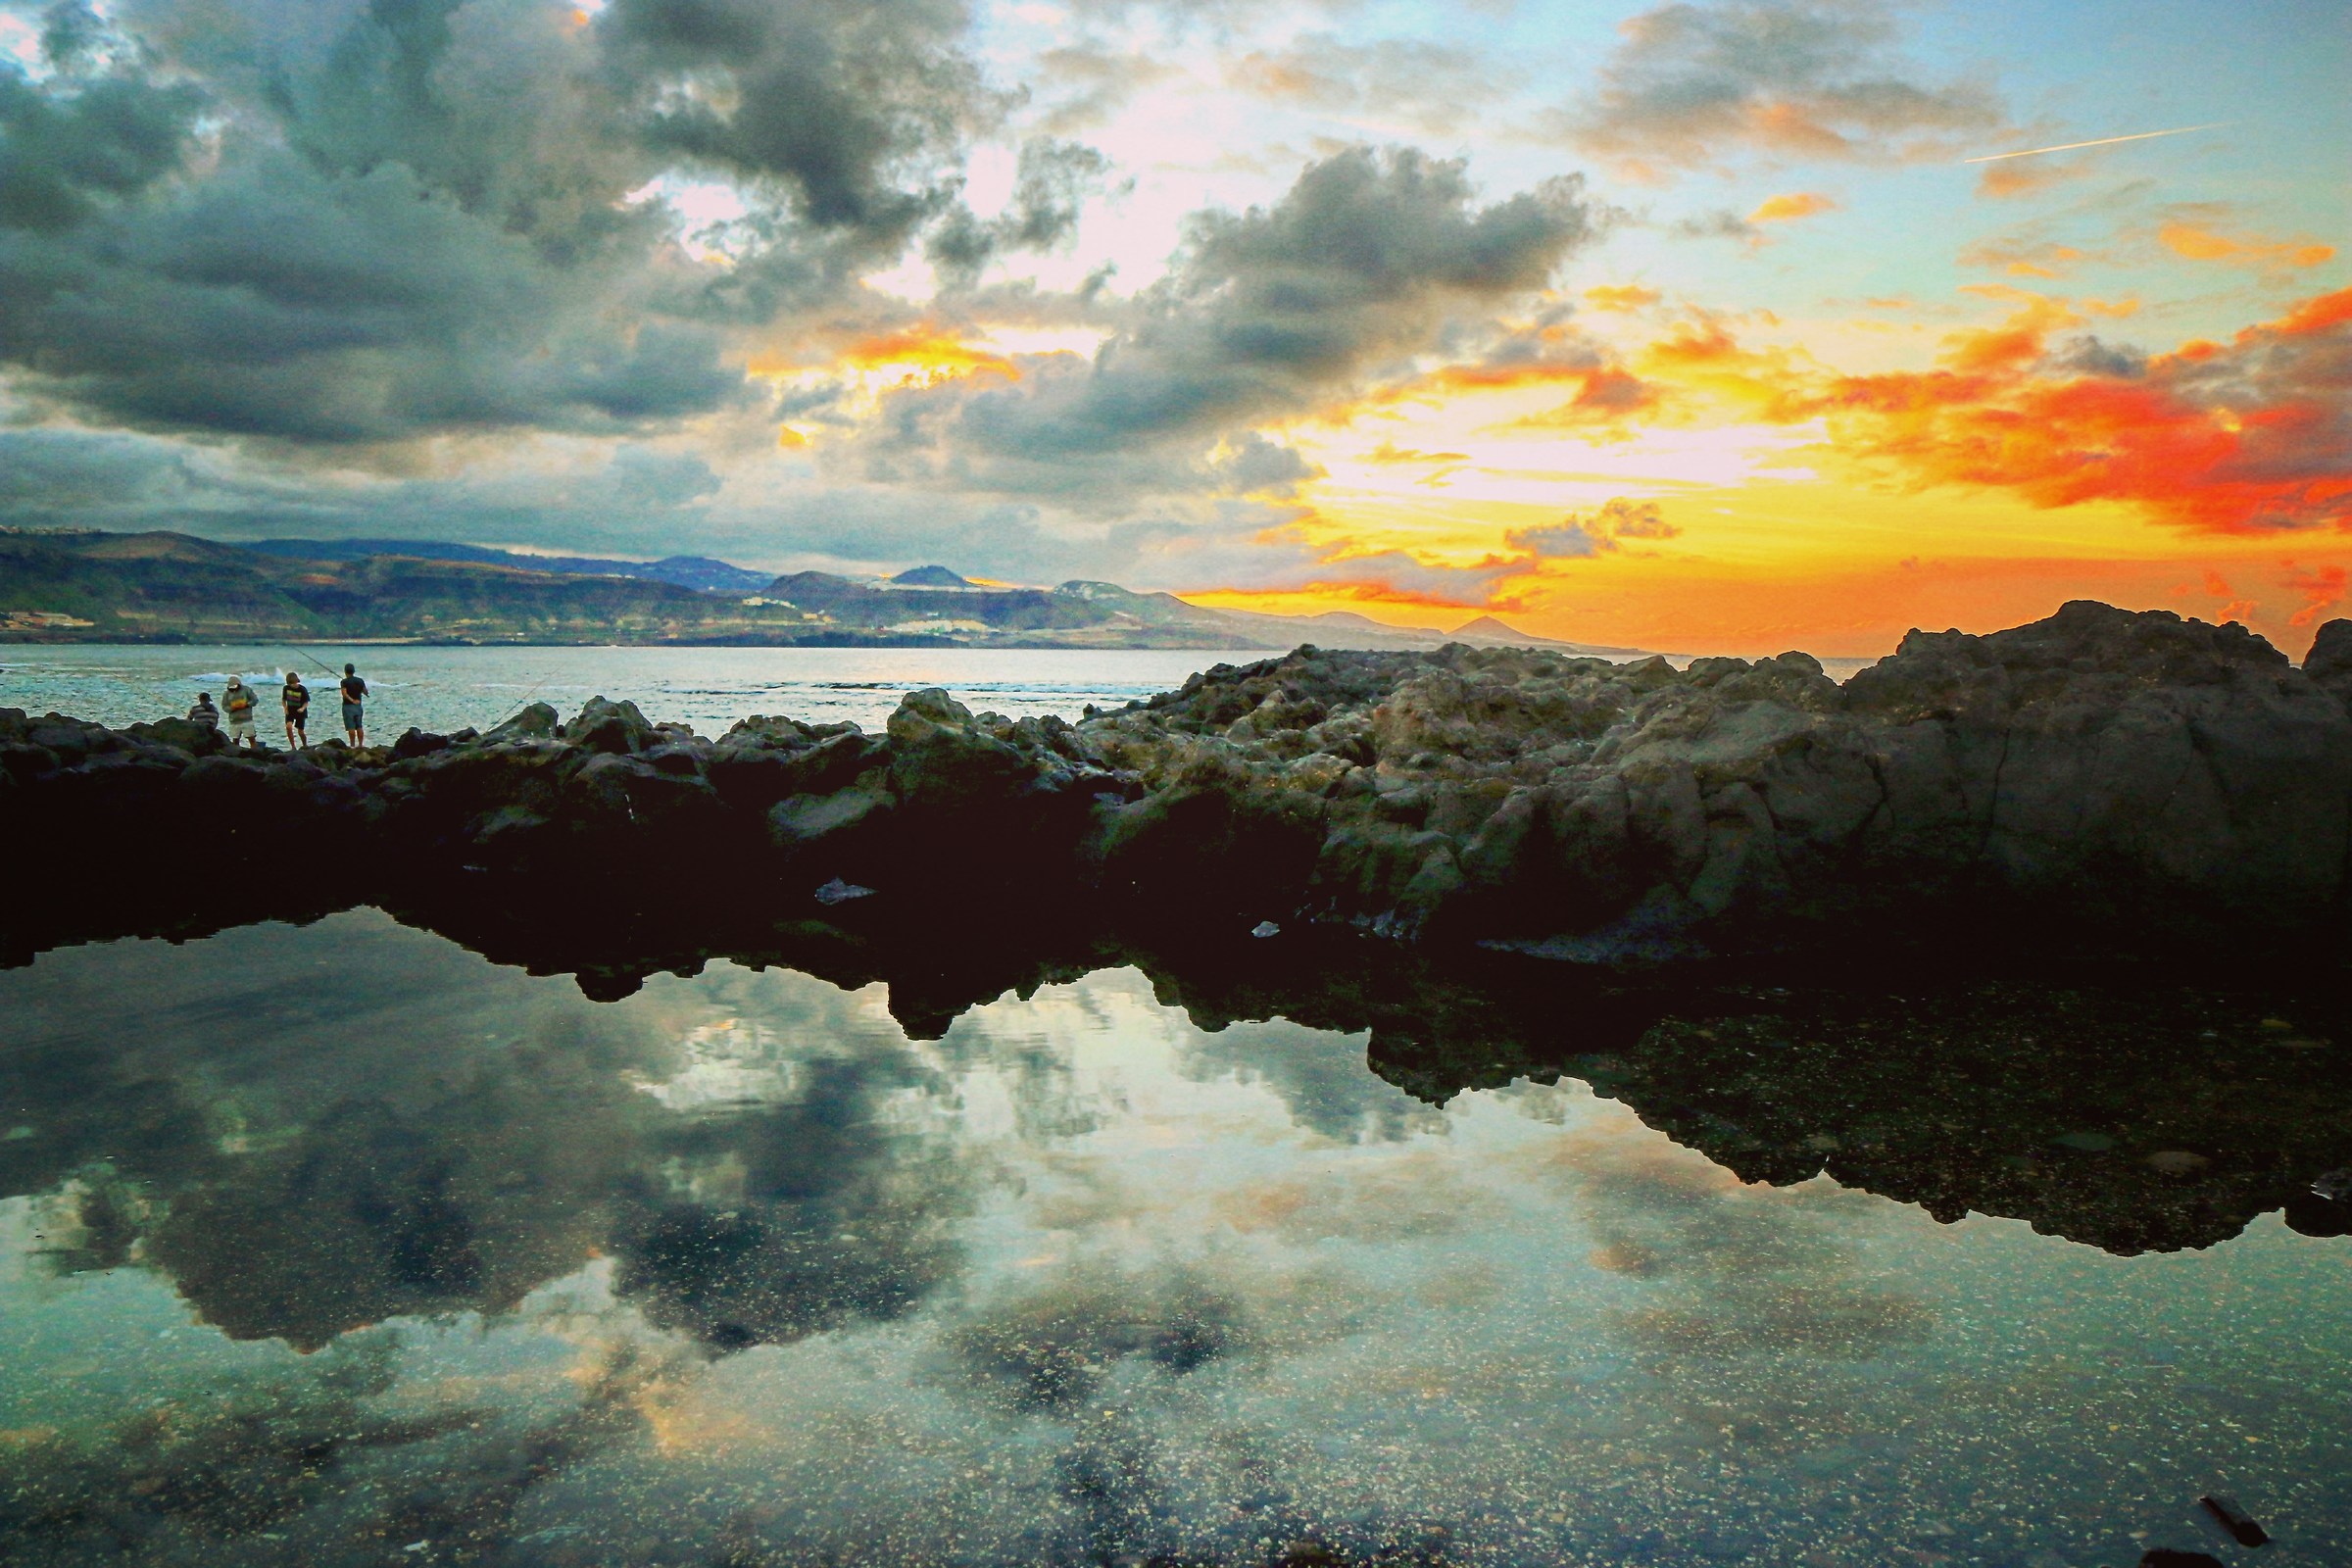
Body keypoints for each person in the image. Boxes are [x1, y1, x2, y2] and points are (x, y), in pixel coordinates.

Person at [221, 676, 259, 750]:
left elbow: (255, 700)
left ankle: (255, 752)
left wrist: (246, 704)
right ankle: (236, 755)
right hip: (234, 721)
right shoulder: (226, 694)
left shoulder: (246, 690)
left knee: (251, 738)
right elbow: (224, 706)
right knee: (235, 740)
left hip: (247, 719)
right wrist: (232, 708)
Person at [339, 662, 368, 747]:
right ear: (353, 671)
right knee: (359, 726)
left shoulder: (344, 682)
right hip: (358, 706)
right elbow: (365, 692)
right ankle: (360, 745)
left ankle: (352, 746)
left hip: (348, 706)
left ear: (345, 672)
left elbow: (344, 694)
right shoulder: (360, 681)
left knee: (351, 727)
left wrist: (352, 700)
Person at [282, 670, 311, 750]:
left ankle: (305, 745)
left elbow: (306, 702)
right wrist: (285, 708)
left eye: (295, 683)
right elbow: (283, 700)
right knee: (288, 727)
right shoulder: (286, 688)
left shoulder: (302, 689)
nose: (293, 685)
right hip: (290, 710)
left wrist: (302, 708)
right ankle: (293, 746)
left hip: (300, 711)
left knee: (300, 731)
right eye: (291, 684)